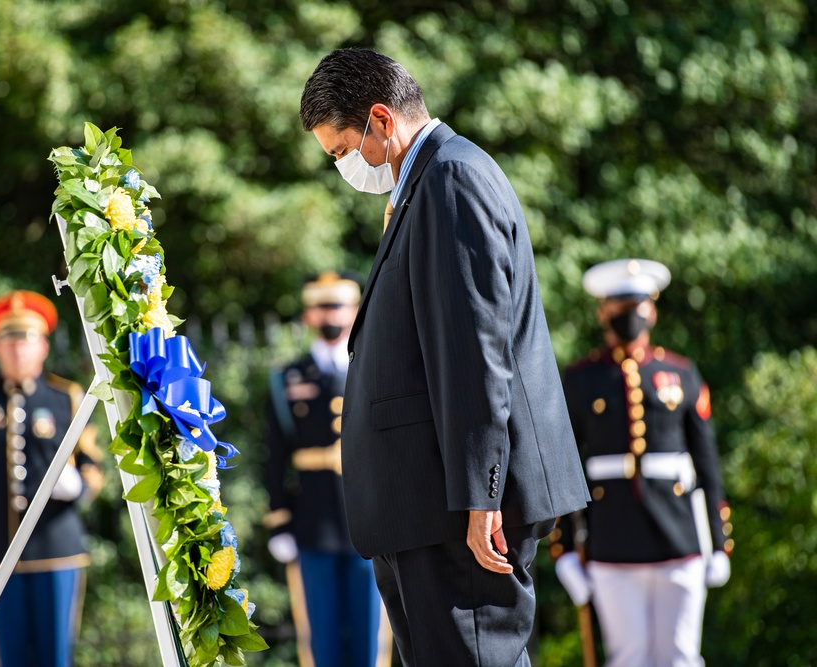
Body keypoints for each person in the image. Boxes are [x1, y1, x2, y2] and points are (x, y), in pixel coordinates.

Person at [298, 48, 590, 666]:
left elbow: (475, 351)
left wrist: (481, 496)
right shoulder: (426, 184)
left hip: (456, 510)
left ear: (381, 119)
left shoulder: (450, 179)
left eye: (341, 148)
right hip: (430, 503)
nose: (344, 166)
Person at [550, 259, 733, 667]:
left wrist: (720, 542)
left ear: (652, 310)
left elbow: (707, 464)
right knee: (628, 657)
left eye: (636, 306)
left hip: (680, 540)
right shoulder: (582, 380)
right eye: (618, 307)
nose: (628, 316)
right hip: (612, 541)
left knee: (681, 657)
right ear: (602, 312)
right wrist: (562, 550)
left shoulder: (681, 374)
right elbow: (561, 468)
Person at [0, 290, 104, 667]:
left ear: (43, 346)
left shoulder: (68, 397)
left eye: (25, 338)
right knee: (10, 657)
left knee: (55, 657)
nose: (17, 348)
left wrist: (79, 487)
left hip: (57, 550)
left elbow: (94, 466)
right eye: (8, 339)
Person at [264, 271, 392, 667]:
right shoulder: (287, 379)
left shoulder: (377, 370)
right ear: (307, 316)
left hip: (370, 523)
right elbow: (274, 455)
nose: (329, 315)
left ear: (355, 311)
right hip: (313, 524)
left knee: (371, 638)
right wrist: (280, 521)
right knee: (321, 638)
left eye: (337, 306)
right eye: (320, 307)